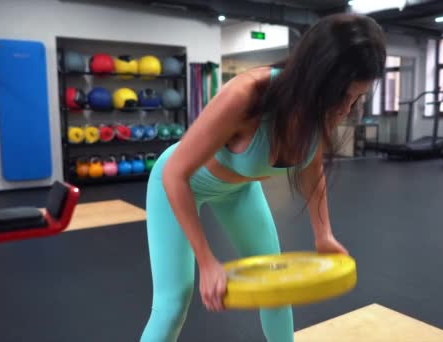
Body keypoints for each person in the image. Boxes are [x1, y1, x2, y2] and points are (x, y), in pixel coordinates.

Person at [141, 12, 386, 342]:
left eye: (357, 97)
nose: (346, 109)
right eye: (343, 95)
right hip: (177, 184)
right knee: (173, 303)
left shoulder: (322, 108)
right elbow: (175, 175)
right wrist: (208, 261)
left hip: (239, 191)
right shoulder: (246, 96)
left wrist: (323, 234)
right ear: (317, 77)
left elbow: (312, 170)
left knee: (277, 285)